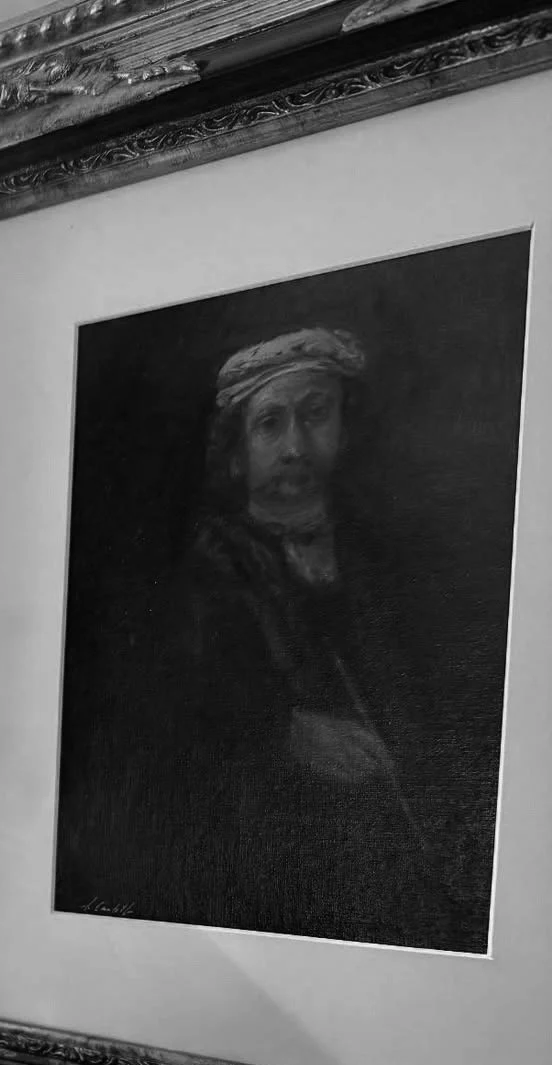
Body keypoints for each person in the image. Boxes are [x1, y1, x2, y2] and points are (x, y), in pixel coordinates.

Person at [155, 325, 457, 947]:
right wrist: (285, 734)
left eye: (315, 415)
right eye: (271, 423)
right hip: (270, 864)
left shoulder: (387, 558)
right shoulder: (211, 568)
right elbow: (178, 723)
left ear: (344, 429)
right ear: (237, 450)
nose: (295, 446)